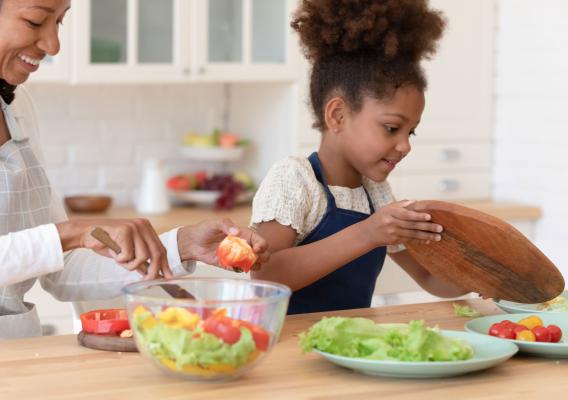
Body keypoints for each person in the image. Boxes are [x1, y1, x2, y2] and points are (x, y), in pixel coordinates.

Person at [0, 0, 268, 339]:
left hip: (20, 354)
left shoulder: (17, 105)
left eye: (60, 22)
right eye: (36, 21)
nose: (53, 44)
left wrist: (182, 245)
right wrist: (74, 231)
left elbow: (63, 268)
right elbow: (63, 240)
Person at [250, 0, 468, 314]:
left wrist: (483, 273)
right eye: (392, 128)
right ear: (337, 115)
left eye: (411, 132)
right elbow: (263, 275)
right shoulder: (294, 180)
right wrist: (367, 233)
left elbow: (432, 280)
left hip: (347, 348)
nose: (405, 146)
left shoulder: (376, 195)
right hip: (287, 352)